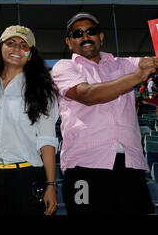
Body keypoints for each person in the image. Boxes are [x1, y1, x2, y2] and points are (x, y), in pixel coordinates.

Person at [51, 12, 157, 215]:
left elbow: (147, 63)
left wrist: (148, 65)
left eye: (91, 31)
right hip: (84, 167)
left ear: (101, 36)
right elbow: (88, 95)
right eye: (77, 33)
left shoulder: (124, 64)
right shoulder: (64, 67)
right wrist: (137, 76)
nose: (85, 36)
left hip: (130, 166)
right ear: (69, 41)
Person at [0, 25, 59, 215]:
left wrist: (51, 184)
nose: (16, 48)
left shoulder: (43, 90)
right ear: (0, 48)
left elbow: (47, 140)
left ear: (30, 55)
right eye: (10, 43)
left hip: (24, 178)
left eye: (24, 46)